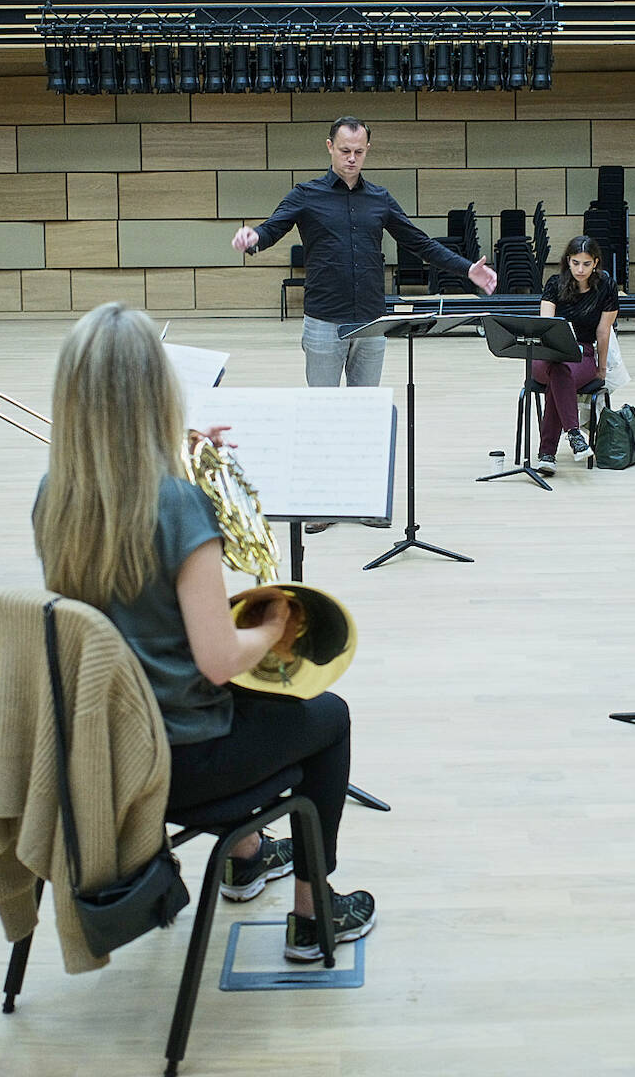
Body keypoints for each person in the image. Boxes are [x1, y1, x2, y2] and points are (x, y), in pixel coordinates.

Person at [33, 302, 376, 961]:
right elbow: (218, 659)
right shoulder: (176, 504)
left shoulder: (57, 494)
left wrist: (179, 462)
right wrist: (273, 626)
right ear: (158, 392)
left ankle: (245, 859)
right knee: (327, 715)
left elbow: (126, 608)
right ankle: (313, 917)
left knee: (243, 698)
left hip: (101, 746)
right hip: (179, 760)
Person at [232, 115, 498, 532]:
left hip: (372, 321)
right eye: (344, 150)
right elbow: (271, 229)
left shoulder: (380, 199)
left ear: (368, 150)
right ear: (329, 147)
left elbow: (419, 242)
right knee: (322, 415)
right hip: (324, 320)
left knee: (362, 416)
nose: (352, 158)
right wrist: (253, 240)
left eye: (358, 151)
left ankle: (362, 499)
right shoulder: (306, 194)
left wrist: (467, 270)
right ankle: (320, 503)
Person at [534, 234, 620, 475]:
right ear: (567, 261)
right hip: (547, 353)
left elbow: (603, 332)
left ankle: (547, 454)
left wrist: (601, 368)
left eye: (586, 264)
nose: (580, 269)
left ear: (596, 263)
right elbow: (546, 326)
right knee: (557, 368)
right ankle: (573, 433)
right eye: (575, 263)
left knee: (559, 374)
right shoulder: (554, 284)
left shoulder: (606, 287)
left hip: (582, 353)